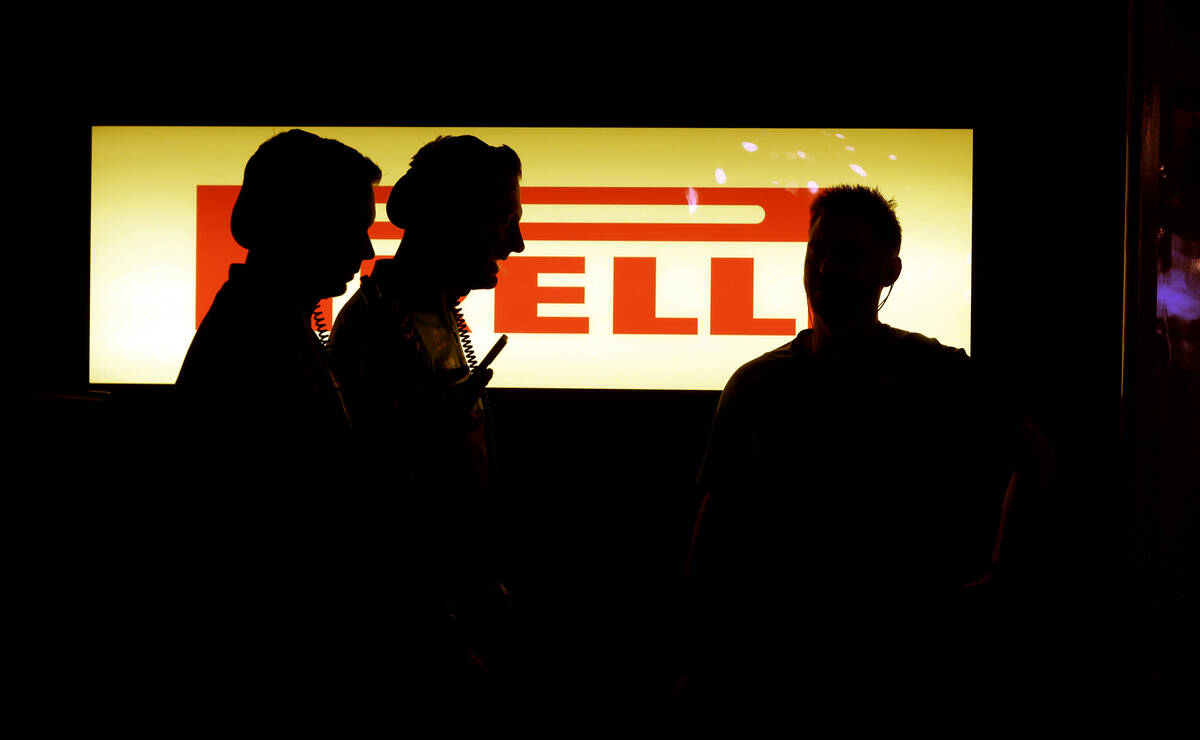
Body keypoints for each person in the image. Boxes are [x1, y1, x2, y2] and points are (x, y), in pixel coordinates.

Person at [681, 185, 1026, 719]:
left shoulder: (929, 374)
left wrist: (1003, 580)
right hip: (807, 667)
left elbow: (715, 526)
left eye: (846, 254)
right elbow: (715, 527)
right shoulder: (758, 385)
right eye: (817, 251)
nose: (823, 269)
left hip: (872, 667)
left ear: (889, 271)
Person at [166, 129, 385, 722]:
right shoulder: (259, 345)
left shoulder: (262, 326)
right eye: (351, 225)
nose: (366, 249)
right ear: (299, 222)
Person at [328, 134, 525, 704]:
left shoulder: (418, 317)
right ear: (451, 220)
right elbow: (386, 513)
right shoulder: (380, 331)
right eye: (502, 219)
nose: (517, 242)